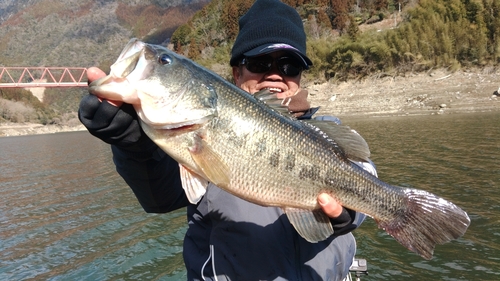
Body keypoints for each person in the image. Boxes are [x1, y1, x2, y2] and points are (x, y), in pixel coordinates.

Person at [79, 0, 377, 280]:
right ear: (237, 72)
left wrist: (348, 215)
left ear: (299, 77)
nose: (275, 75)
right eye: (260, 63)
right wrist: (134, 147)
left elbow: (367, 182)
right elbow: (159, 197)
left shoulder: (328, 132)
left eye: (289, 66)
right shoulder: (185, 137)